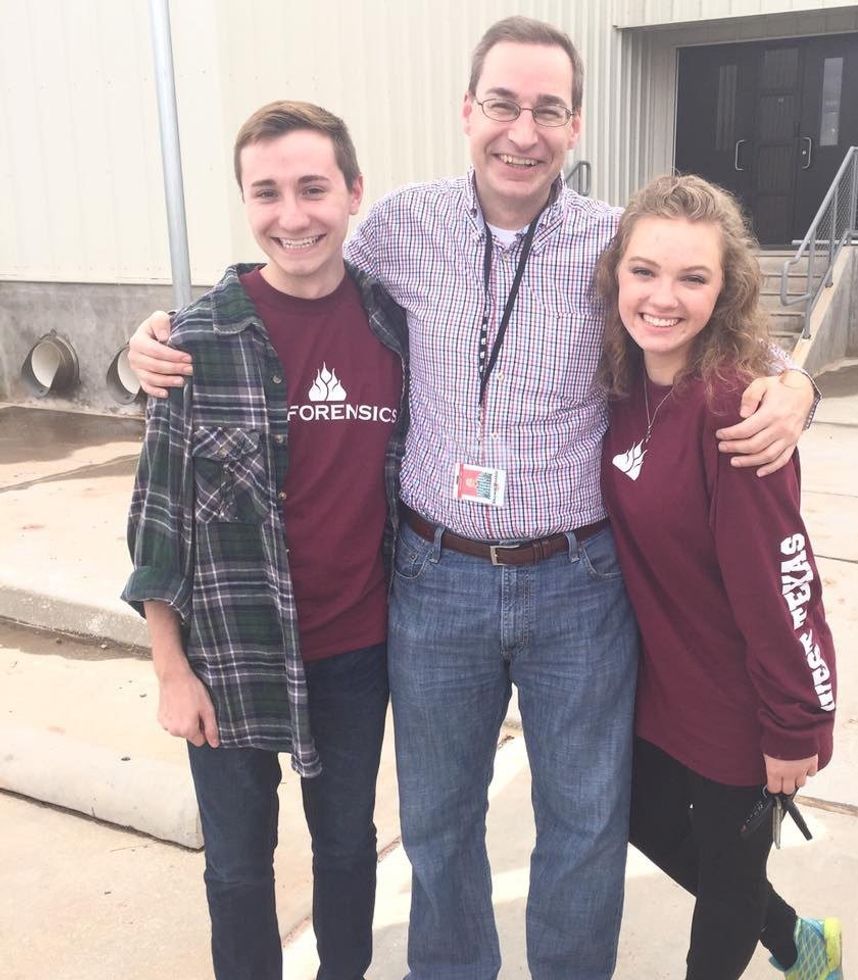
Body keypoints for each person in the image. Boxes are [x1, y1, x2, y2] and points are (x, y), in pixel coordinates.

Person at [125, 18, 818, 979]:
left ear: (575, 125)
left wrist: (797, 382)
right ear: (467, 112)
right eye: (502, 104)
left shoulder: (612, 241)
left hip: (578, 583)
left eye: (547, 110)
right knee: (439, 820)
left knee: (584, 818)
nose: (522, 132)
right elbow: (298, 266)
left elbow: (713, 323)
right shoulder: (401, 225)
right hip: (434, 576)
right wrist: (163, 335)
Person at [122, 100, 407, 980]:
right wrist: (171, 672)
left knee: (348, 849)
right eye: (267, 193)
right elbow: (157, 525)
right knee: (238, 868)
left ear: (353, 192)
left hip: (356, 653)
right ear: (245, 202)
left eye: (313, 189)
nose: (293, 216)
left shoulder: (395, 327)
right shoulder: (198, 341)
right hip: (228, 654)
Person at [597, 174, 840, 980]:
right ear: (615, 275)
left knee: (725, 894)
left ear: (724, 289)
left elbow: (783, 580)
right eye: (644, 271)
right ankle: (799, 934)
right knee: (638, 818)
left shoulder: (738, 411)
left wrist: (796, 724)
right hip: (660, 687)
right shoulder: (622, 385)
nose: (663, 297)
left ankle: (798, 953)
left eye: (692, 278)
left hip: (742, 704)